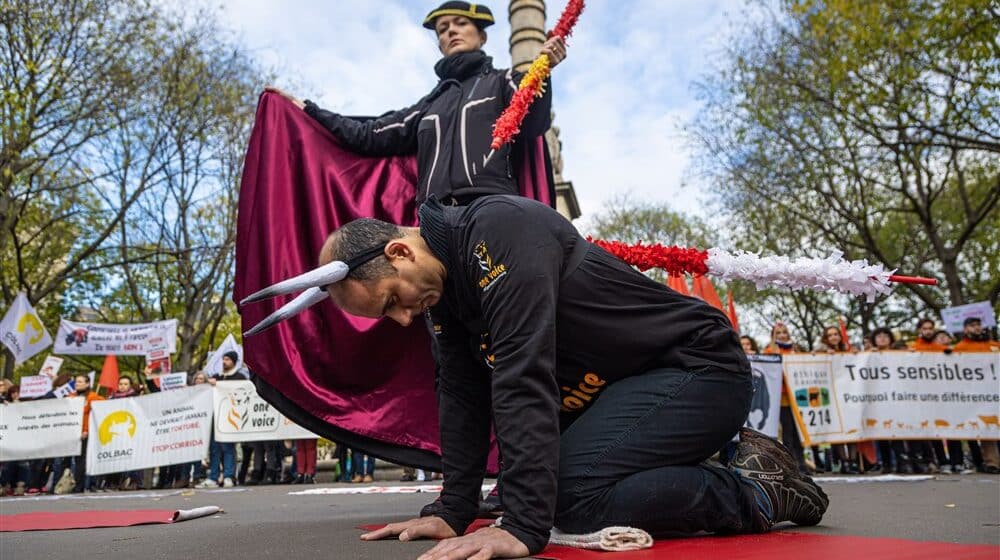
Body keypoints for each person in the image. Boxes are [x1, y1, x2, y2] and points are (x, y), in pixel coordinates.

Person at [298, 195, 828, 558]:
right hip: (624, 391)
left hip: (697, 368)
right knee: (539, 491)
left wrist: (525, 529)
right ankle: (703, 456)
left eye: (393, 300)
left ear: (399, 251)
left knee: (567, 502)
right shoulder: (444, 293)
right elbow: (460, 394)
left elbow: (523, 376)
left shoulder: (498, 231)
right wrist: (453, 510)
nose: (404, 319)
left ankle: (754, 490)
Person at [268, 1, 566, 207]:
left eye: (460, 24)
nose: (451, 31)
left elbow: (533, 122)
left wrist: (544, 72)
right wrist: (309, 111)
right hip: (433, 220)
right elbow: (369, 134)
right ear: (439, 44)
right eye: (443, 29)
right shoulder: (429, 105)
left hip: (493, 205)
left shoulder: (504, 82)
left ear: (482, 36)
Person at [198, 351, 248, 488]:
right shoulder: (216, 377)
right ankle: (213, 477)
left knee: (228, 448)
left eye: (227, 359)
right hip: (215, 418)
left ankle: (228, 476)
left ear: (233, 361)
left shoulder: (239, 377)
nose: (224, 362)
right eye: (223, 359)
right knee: (214, 448)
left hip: (229, 418)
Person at [72, 374, 104, 493]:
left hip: (88, 434)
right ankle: (78, 486)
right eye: (76, 382)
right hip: (74, 434)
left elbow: (99, 414)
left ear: (87, 384)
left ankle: (91, 484)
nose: (77, 384)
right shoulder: (71, 397)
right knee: (78, 462)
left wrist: (87, 430)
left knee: (88, 460)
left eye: (80, 382)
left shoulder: (93, 397)